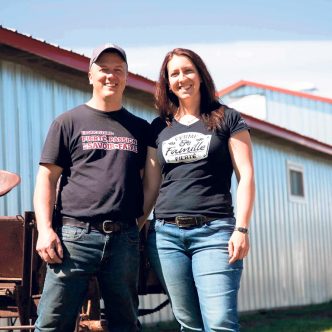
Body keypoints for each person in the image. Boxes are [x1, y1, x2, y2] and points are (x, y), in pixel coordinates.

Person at [34, 43, 149, 331]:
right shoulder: (67, 122)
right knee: (51, 323)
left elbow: (151, 180)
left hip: (124, 239)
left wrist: (138, 222)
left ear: (126, 77)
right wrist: (46, 230)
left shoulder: (140, 127)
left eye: (118, 70)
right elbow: (46, 178)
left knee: (125, 324)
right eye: (103, 69)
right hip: (74, 237)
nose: (111, 76)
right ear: (90, 76)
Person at [140, 48, 255, 331]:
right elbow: (151, 186)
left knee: (219, 323)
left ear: (201, 75)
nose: (182, 78)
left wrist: (241, 229)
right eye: (174, 73)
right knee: (189, 323)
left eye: (188, 70)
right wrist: (135, 226)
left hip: (215, 232)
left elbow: (247, 175)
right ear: (167, 83)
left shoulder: (226, 118)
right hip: (166, 237)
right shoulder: (159, 127)